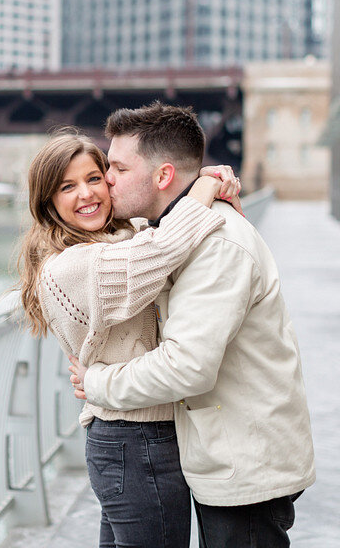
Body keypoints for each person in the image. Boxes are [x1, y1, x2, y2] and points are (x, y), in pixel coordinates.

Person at [70, 103, 315, 548]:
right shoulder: (171, 232)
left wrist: (97, 382)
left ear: (163, 177)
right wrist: (209, 180)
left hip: (246, 464)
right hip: (225, 452)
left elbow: (187, 366)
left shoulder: (217, 244)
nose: (107, 179)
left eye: (119, 168)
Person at [16, 129, 241, 548]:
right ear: (48, 203)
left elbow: (152, 224)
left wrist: (198, 182)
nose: (86, 194)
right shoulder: (76, 265)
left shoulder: (118, 238)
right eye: (67, 187)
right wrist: (206, 184)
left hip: (133, 438)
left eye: (95, 178)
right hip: (134, 441)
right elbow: (162, 248)